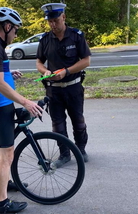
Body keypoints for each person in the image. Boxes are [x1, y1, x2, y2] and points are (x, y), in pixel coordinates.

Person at [0, 7, 42, 214]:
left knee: (8, 153)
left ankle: (4, 182)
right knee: (5, 157)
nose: (15, 34)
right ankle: (2, 204)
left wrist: (8, 72)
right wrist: (26, 102)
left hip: (1, 105)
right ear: (7, 26)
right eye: (15, 30)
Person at [36, 3, 91, 167]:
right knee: (57, 125)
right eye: (50, 21)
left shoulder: (76, 36)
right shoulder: (45, 39)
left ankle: (80, 150)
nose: (53, 24)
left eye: (56, 20)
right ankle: (64, 154)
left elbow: (86, 61)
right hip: (54, 91)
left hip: (73, 87)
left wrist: (66, 72)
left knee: (78, 121)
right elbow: (39, 61)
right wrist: (44, 71)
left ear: (63, 17)